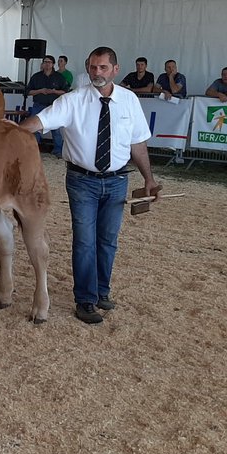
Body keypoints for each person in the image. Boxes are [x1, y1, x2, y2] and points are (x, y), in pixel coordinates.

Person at [20, 47, 161, 324]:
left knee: (108, 241)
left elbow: (138, 143)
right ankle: (85, 299)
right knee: (85, 241)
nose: (97, 73)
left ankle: (101, 291)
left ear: (115, 70)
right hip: (82, 181)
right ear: (88, 68)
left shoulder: (130, 100)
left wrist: (149, 179)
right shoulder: (73, 101)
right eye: (93, 67)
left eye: (103, 68)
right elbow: (40, 121)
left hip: (119, 180)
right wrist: (10, 131)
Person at [25, 54, 67, 156]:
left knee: (55, 129)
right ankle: (33, 150)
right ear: (42, 64)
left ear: (53, 64)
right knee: (34, 128)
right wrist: (40, 91)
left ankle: (58, 150)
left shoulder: (59, 77)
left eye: (49, 62)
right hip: (38, 105)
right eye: (45, 62)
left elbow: (65, 91)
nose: (47, 64)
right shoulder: (36, 77)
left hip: (53, 106)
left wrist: (54, 91)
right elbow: (28, 92)